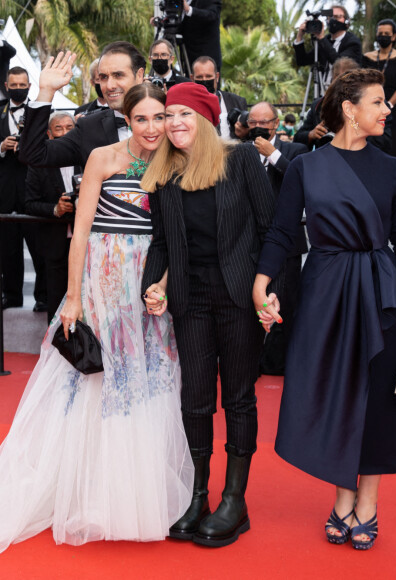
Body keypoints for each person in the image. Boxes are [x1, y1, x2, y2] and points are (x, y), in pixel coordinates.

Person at [0, 83, 194, 553]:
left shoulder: (178, 161)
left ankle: (133, 489)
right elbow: (81, 230)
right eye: (141, 119)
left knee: (147, 378)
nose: (151, 128)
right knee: (97, 377)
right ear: (126, 119)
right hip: (103, 276)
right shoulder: (103, 157)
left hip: (150, 280)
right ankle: (87, 488)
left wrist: (163, 284)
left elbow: (177, 233)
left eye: (158, 118)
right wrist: (72, 296)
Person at [253, 68, 396, 551]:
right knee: (330, 392)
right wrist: (261, 282)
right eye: (378, 102)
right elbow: (283, 232)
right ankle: (341, 494)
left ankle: (365, 503)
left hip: (382, 289)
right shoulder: (306, 167)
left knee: (376, 395)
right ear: (350, 109)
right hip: (325, 290)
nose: (387, 110)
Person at [140, 82, 279, 548]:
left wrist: (267, 290)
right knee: (195, 397)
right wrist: (152, 287)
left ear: (205, 117)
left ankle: (234, 501)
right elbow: (162, 242)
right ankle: (198, 495)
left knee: (239, 396)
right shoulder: (164, 171)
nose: (174, 123)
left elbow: (270, 229)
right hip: (190, 298)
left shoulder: (239, 160)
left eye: (184, 114)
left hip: (238, 297)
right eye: (168, 114)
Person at [248, 101, 308, 375]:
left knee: (284, 300)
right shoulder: (239, 153)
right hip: (248, 243)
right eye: (252, 122)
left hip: (287, 244)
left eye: (264, 122)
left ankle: (279, 363)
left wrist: (273, 155)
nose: (258, 127)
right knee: (251, 302)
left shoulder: (296, 151)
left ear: (275, 123)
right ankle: (251, 361)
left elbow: (305, 182)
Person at [18, 41, 145, 168]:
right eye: (103, 77)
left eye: (118, 75)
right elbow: (33, 154)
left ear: (139, 75)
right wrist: (46, 91)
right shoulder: (89, 128)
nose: (110, 86)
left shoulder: (162, 122)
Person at [24, 112, 80, 324]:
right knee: (56, 299)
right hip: (54, 242)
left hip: (85, 242)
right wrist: (55, 209)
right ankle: (56, 347)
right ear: (49, 133)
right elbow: (29, 204)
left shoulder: (87, 159)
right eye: (59, 129)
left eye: (69, 128)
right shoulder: (38, 165)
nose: (65, 133)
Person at [0, 65, 47, 312]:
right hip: (5, 190)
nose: (18, 89)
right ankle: (11, 295)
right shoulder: (1, 112)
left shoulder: (38, 112)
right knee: (8, 246)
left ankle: (43, 296)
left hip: (32, 186)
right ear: (6, 87)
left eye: (22, 85)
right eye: (13, 85)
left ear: (29, 86)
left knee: (38, 244)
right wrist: (1, 146)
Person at [362, 19, 396, 161]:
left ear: (394, 36)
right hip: (372, 109)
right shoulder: (367, 58)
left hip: (395, 109)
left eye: (386, 33)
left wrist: (388, 105)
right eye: (380, 33)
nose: (383, 36)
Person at [294, 56, 360, 151]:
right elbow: (297, 139)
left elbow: (382, 143)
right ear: (333, 80)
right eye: (337, 81)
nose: (341, 87)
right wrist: (311, 134)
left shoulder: (366, 104)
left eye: (347, 82)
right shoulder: (319, 105)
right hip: (324, 157)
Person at [294, 5, 362, 90]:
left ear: (347, 21)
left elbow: (340, 62)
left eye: (338, 16)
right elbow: (302, 60)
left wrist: (322, 39)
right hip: (323, 92)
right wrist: (300, 36)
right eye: (331, 17)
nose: (334, 20)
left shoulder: (352, 42)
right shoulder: (325, 40)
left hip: (344, 91)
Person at [191, 56, 246, 138]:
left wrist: (243, 133)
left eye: (208, 76)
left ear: (217, 77)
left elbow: (248, 136)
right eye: (199, 77)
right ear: (192, 78)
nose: (204, 80)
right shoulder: (186, 105)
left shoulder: (237, 102)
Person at [179, 0, 222, 74]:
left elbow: (212, 15)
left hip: (207, 59)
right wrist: (161, 22)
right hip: (188, 60)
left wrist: (189, 10)